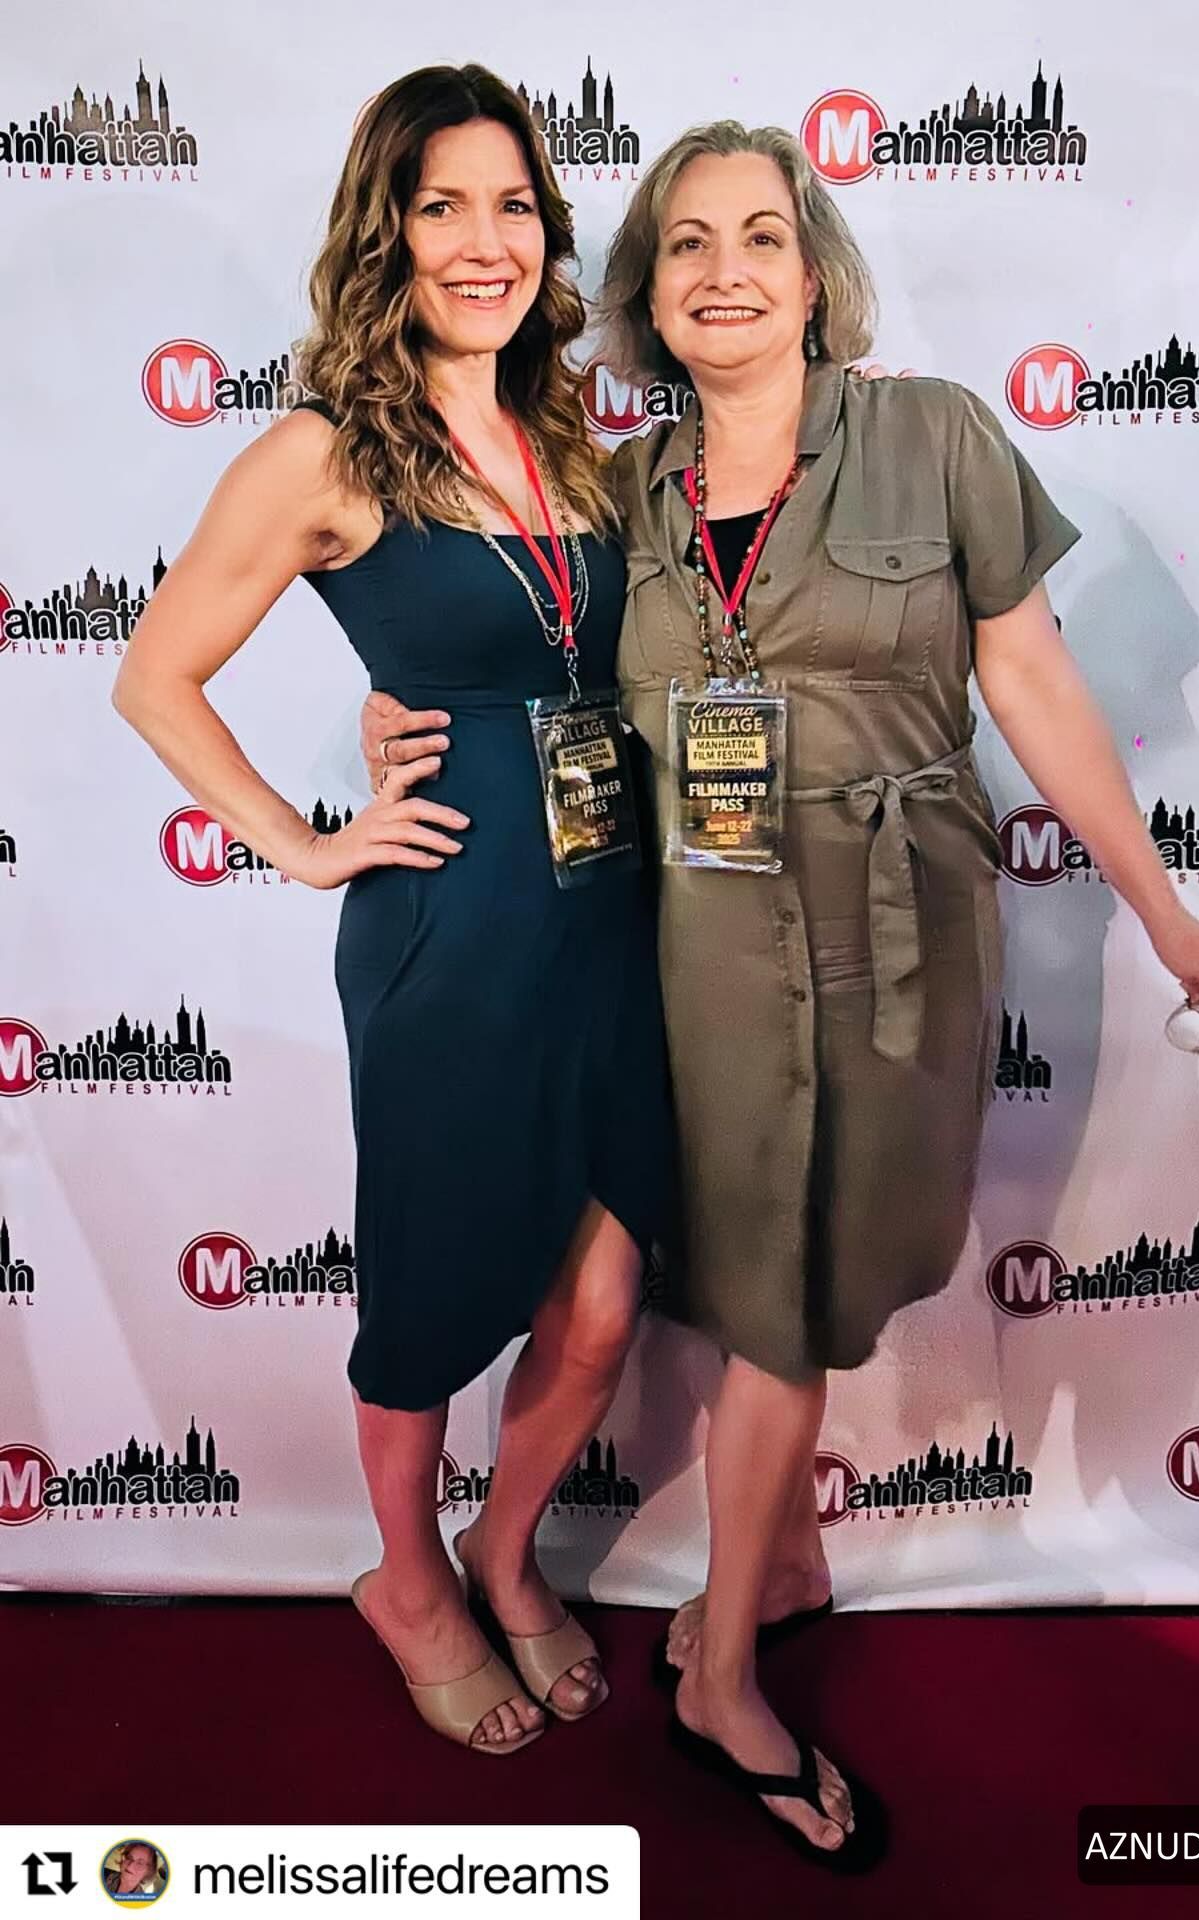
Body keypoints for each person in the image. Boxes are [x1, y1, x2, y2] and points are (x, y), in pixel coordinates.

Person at [364, 119, 1199, 1864]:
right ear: (646, 295)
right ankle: (721, 1672)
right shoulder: (615, 493)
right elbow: (512, 660)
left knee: (827, 1271)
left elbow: (1034, 679)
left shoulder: (934, 437)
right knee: (751, 1288)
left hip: (899, 927)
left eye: (760, 238)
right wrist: (402, 718)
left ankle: (760, 1571)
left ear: (812, 270)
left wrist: (1164, 910)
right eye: (687, 245)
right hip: (688, 952)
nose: (725, 273)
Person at [113, 64, 675, 1753]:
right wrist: (301, 843)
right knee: (431, 1298)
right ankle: (406, 1578)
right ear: (390, 232)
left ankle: (503, 1551)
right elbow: (155, 678)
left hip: (614, 925)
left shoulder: (573, 438)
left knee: (602, 1298)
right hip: (454, 929)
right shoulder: (325, 450)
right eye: (445, 207)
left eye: (513, 206)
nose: (486, 242)